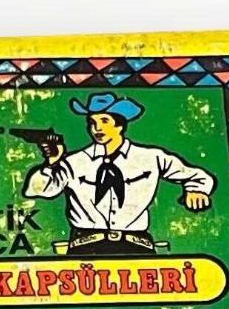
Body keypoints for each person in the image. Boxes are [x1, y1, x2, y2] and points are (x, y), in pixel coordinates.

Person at [23, 92, 215, 255]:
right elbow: (37, 190)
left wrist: (196, 190)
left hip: (137, 247)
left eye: (104, 121)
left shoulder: (150, 158)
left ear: (120, 125)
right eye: (92, 122)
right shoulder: (74, 162)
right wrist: (52, 163)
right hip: (86, 249)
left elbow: (195, 175)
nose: (97, 128)